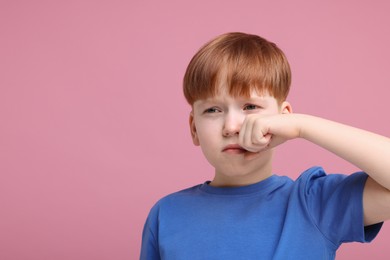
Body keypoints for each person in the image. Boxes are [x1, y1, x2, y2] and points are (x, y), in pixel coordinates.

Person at [140, 32, 390, 259]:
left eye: (250, 107)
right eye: (213, 110)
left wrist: (302, 126)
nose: (231, 126)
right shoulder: (166, 214)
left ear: (283, 118)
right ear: (194, 128)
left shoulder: (315, 203)